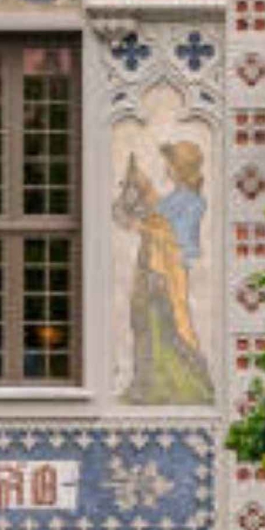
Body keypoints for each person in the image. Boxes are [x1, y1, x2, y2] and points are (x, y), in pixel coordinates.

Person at [113, 141, 215, 405]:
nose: (167, 168)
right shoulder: (175, 198)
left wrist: (143, 225)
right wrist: (142, 195)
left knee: (170, 325)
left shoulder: (192, 201)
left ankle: (185, 385)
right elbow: (154, 214)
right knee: (147, 323)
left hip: (167, 271)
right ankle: (148, 384)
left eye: (170, 163)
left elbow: (176, 237)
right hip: (153, 267)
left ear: (180, 169)